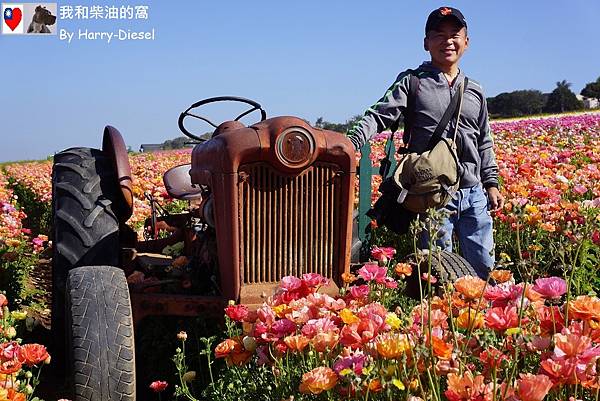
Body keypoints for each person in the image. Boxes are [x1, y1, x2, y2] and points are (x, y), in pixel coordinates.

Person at [347, 6, 504, 279]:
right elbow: (378, 115)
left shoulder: (475, 90)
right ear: (426, 43)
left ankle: (479, 318)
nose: (447, 41)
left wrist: (491, 183)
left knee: (484, 266)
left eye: (455, 34)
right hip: (432, 193)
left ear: (466, 42)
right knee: (438, 271)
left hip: (473, 193)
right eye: (438, 35)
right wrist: (350, 142)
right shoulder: (413, 82)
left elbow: (483, 138)